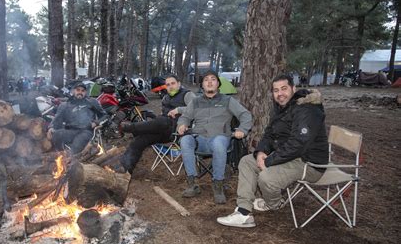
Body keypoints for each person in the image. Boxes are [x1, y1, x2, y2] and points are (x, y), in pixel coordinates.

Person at [217, 74, 328, 228]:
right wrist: (261, 152)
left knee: (266, 178)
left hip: (309, 162)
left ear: (293, 88)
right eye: (276, 90)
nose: (280, 94)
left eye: (284, 89)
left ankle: (274, 204)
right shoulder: (283, 108)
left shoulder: (307, 109)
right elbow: (269, 133)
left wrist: (269, 161)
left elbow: (299, 144)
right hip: (290, 156)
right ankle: (243, 213)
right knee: (247, 161)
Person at [177, 70, 253, 204]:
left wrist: (242, 130)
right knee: (185, 140)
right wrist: (182, 124)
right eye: (206, 80)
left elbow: (245, 115)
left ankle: (218, 185)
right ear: (202, 85)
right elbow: (185, 117)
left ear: (218, 84)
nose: (210, 82)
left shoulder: (228, 100)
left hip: (220, 138)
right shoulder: (195, 102)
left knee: (218, 142)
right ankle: (192, 183)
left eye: (213, 79)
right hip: (199, 138)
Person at [119, 75, 196, 174]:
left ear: (179, 84)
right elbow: (163, 115)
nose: (170, 86)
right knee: (139, 140)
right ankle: (125, 168)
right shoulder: (165, 98)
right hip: (165, 132)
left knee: (162, 121)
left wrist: (178, 110)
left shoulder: (187, 95)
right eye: (168, 85)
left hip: (179, 131)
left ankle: (130, 128)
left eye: (173, 83)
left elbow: (197, 109)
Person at [47, 82, 108, 154]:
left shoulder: (92, 102)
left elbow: (105, 116)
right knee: (57, 135)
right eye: (78, 90)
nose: (80, 92)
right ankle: (61, 156)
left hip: (86, 131)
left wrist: (96, 122)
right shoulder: (66, 104)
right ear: (73, 91)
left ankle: (71, 158)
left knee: (75, 147)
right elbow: (57, 119)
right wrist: (51, 127)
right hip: (70, 131)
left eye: (83, 91)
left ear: (86, 92)